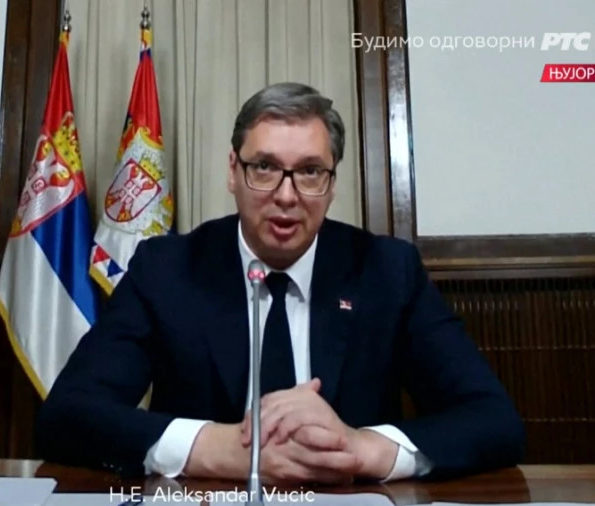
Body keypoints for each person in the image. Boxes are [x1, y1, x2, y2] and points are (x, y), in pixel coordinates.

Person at [34, 82, 525, 484]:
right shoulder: (169, 269)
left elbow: (493, 420)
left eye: (309, 172)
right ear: (233, 171)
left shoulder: (387, 271)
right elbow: (67, 415)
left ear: (332, 184)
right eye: (264, 168)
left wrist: (365, 449)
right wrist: (213, 448)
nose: (286, 196)